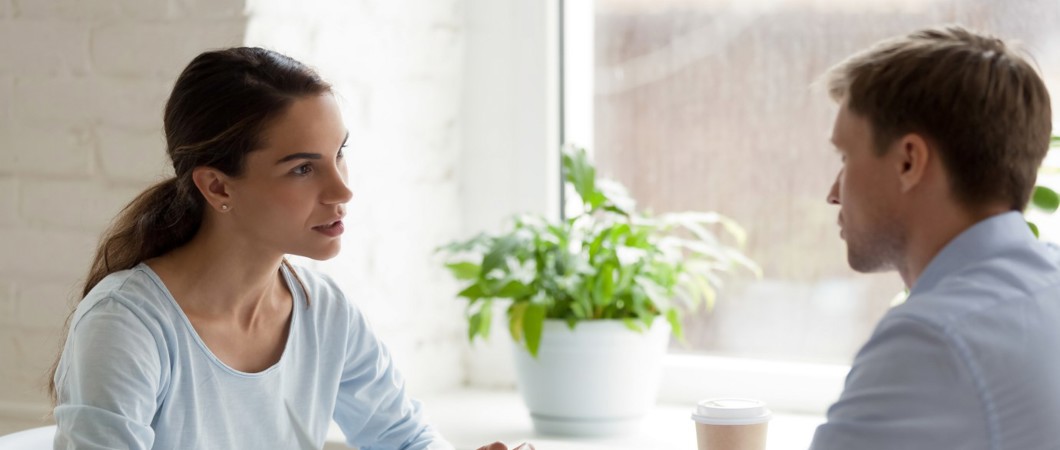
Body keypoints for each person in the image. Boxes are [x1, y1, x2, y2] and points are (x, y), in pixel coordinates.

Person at [50, 47, 484, 449]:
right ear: (217, 187)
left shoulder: (323, 311)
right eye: (302, 169)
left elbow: (404, 439)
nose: (342, 191)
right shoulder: (126, 325)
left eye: (339, 154)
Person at [811, 25, 1058, 449]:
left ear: (909, 161)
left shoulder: (931, 340)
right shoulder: (1048, 285)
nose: (833, 193)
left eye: (847, 157)